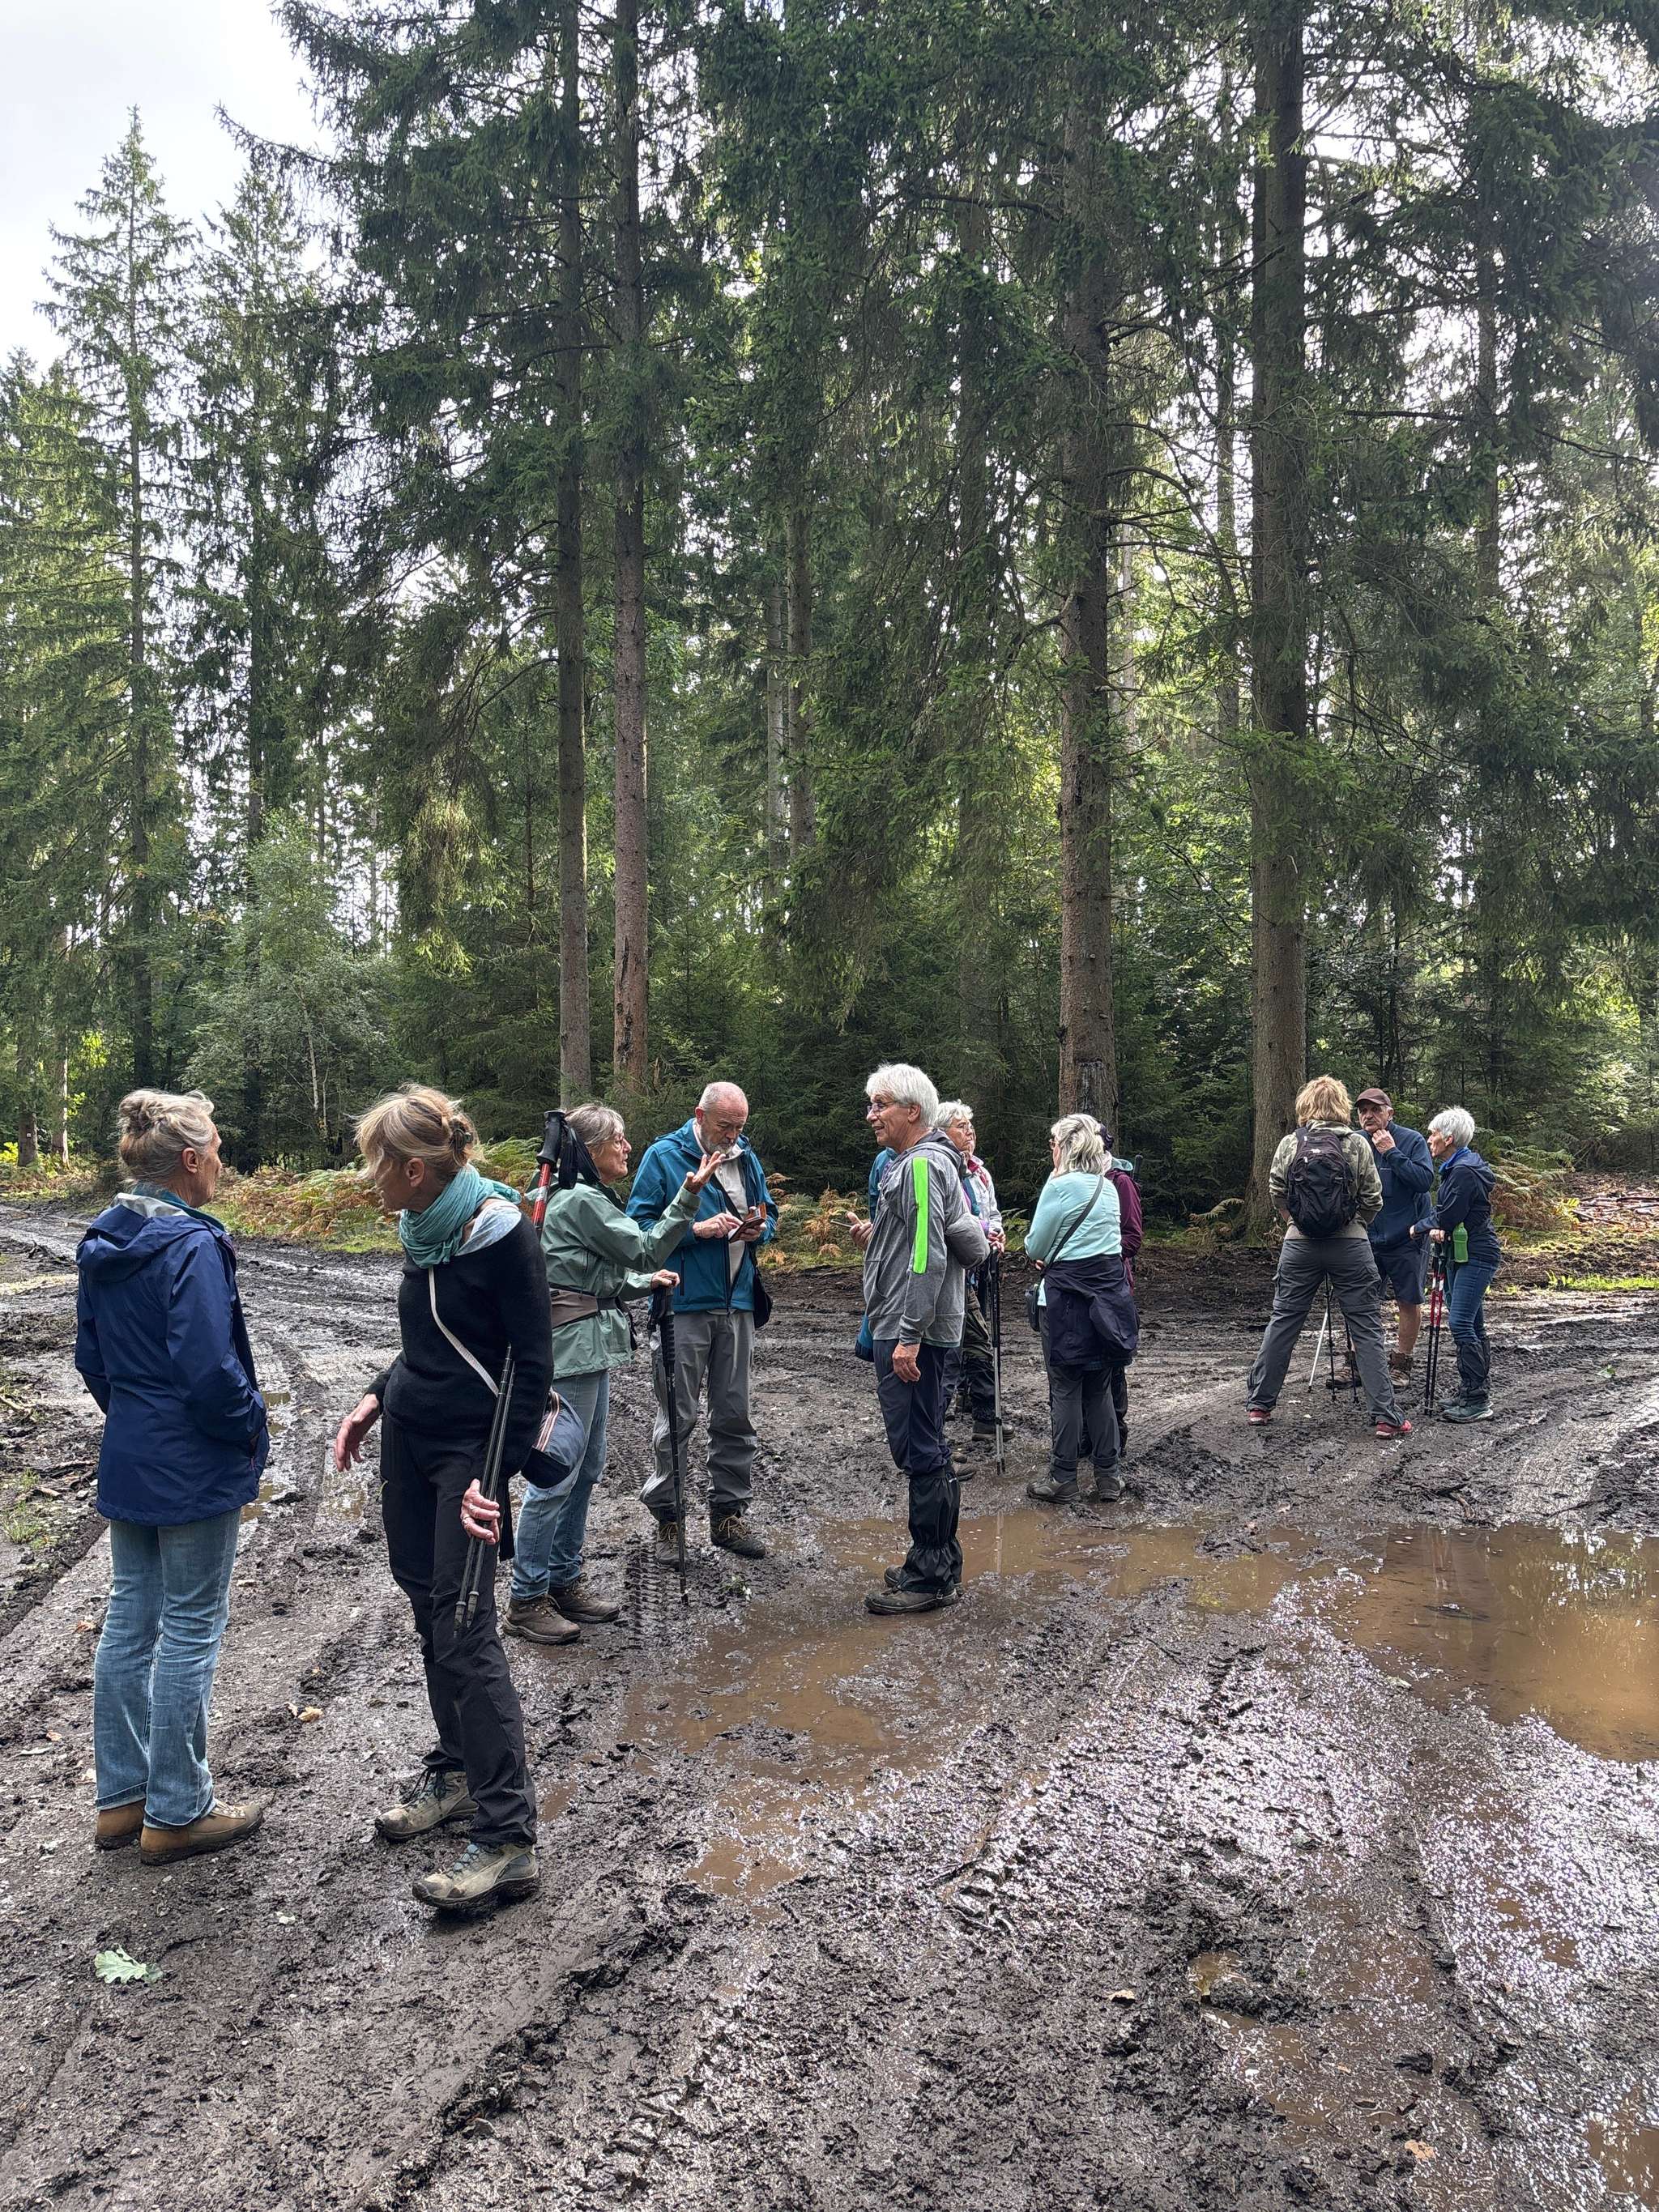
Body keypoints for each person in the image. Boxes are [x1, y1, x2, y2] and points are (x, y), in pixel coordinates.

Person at [332, 1086, 552, 1915]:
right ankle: (456, 1771)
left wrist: (494, 1475)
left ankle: (508, 1836)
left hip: (470, 1454)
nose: (369, 1178)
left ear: (414, 1169)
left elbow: (530, 1366)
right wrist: (373, 1394)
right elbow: (428, 1344)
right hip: (409, 1440)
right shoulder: (421, 1230)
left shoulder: (501, 1232)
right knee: (429, 1609)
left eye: (376, 1163)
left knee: (465, 1629)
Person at [75, 1089, 269, 1866]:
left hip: (131, 1449)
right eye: (216, 1147)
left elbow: (92, 1358)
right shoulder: (191, 1243)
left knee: (131, 1617)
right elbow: (208, 1368)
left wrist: (135, 1417)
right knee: (190, 1625)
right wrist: (250, 1424)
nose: (222, 1158)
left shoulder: (104, 1238)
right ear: (190, 1159)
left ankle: (122, 1800)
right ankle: (178, 1809)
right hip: (191, 1458)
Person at [505, 1105, 730, 1637]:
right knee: (557, 1473)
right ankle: (527, 1597)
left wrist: (644, 1282)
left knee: (584, 1468)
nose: (628, 1148)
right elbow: (646, 1247)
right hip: (572, 1352)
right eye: (619, 1139)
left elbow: (586, 1275)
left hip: (583, 1348)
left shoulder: (565, 1197)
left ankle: (563, 1579)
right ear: (590, 1150)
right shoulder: (581, 1200)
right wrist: (689, 1193)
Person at [848, 1063, 988, 1614]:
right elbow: (929, 1240)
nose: (871, 1115)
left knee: (920, 1447)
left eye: (880, 1104)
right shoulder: (925, 1163)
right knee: (925, 1442)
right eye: (871, 1104)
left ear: (913, 1110)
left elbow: (928, 1254)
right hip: (918, 1326)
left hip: (916, 1333)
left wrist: (908, 1335)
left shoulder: (922, 1165)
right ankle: (939, 1561)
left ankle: (929, 1577)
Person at [625, 1082, 778, 1561]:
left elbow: (769, 1213)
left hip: (739, 1303)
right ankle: (669, 1520)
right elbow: (637, 1230)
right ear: (700, 1116)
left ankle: (728, 1515)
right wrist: (696, 1230)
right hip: (684, 1304)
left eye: (739, 1127)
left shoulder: (745, 1157)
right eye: (724, 1126)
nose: (732, 1136)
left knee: (734, 1414)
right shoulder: (663, 1157)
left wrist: (759, 1228)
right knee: (677, 1416)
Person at [1244, 1076, 1412, 1440]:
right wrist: (1355, 1226)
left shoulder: (1291, 1143)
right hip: (1350, 1245)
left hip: (1299, 1245)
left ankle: (1260, 1405)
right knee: (1365, 1326)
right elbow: (1373, 1198)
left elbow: (1276, 1190)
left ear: (1305, 1105)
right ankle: (1386, 1417)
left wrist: (1295, 1223)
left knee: (1284, 1321)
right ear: (1341, 1106)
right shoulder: (1356, 1143)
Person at [1025, 1115, 1138, 1504]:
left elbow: (1035, 1246)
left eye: (1054, 1142)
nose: (1051, 1149)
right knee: (1099, 1389)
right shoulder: (1107, 1187)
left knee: (1065, 1389)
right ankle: (1109, 1477)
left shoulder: (1058, 1187)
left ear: (1066, 1147)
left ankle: (1063, 1477)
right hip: (1107, 1303)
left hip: (1065, 1304)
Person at [934, 1102, 1010, 1452]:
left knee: (977, 1337)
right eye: (962, 1127)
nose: (970, 1133)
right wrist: (982, 1231)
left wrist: (996, 1233)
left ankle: (978, 1409)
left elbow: (990, 1212)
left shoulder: (979, 1172)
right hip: (951, 1270)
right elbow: (953, 1219)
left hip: (979, 1268)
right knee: (962, 1344)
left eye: (971, 1127)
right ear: (941, 1131)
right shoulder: (941, 1169)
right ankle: (965, 1420)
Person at [1423, 1108, 1501, 1423]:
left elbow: (1448, 1214)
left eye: (1433, 1134)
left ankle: (1477, 1400)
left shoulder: (1464, 1171)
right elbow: (1457, 1214)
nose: (1430, 1139)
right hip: (1462, 1252)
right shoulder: (1460, 1166)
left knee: (1460, 1323)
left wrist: (1419, 1227)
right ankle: (1472, 1391)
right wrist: (1441, 1226)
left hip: (1476, 1254)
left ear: (1449, 1138)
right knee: (1473, 1323)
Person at [1355, 1088, 1434, 1382]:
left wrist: (1391, 1152)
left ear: (1390, 1113)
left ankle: (1402, 1363)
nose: (1368, 1116)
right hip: (1365, 1238)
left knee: (1408, 1300)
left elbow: (1424, 1181)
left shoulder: (1411, 1140)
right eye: (1363, 1111)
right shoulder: (1355, 1142)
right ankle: (1357, 1363)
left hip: (1407, 1238)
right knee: (1360, 1301)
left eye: (1375, 1110)